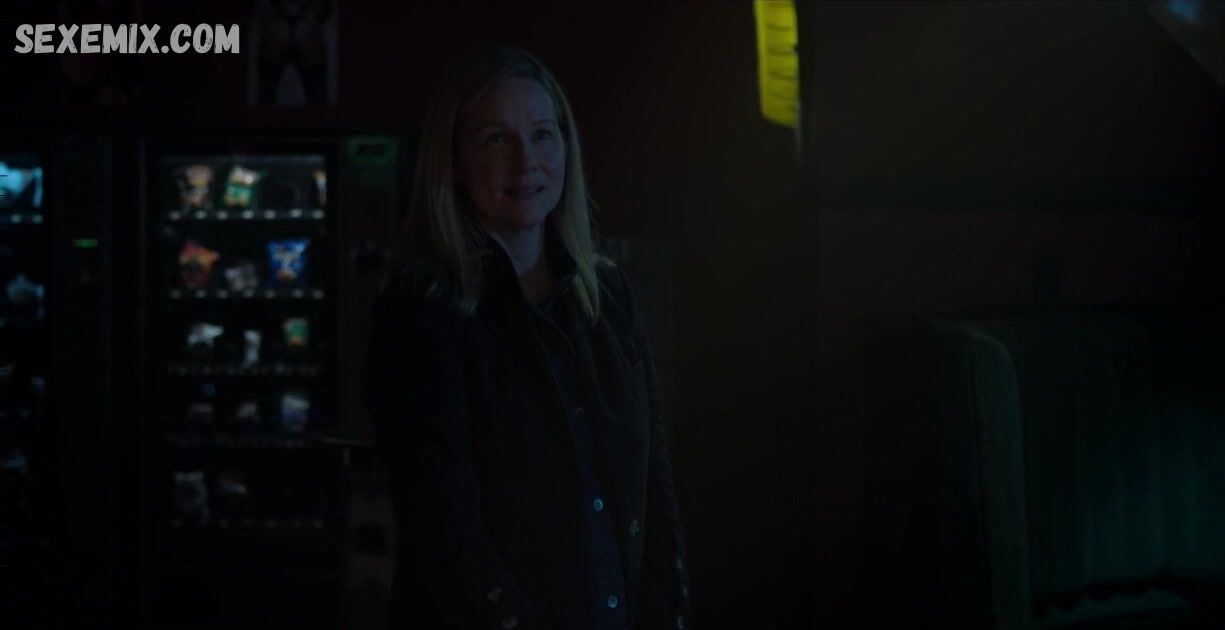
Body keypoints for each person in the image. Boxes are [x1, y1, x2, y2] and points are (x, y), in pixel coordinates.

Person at [361, 45, 692, 630]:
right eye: (496, 140)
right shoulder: (423, 308)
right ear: (454, 161)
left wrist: (667, 612)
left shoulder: (607, 295)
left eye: (542, 135)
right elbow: (444, 533)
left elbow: (653, 485)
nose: (527, 162)